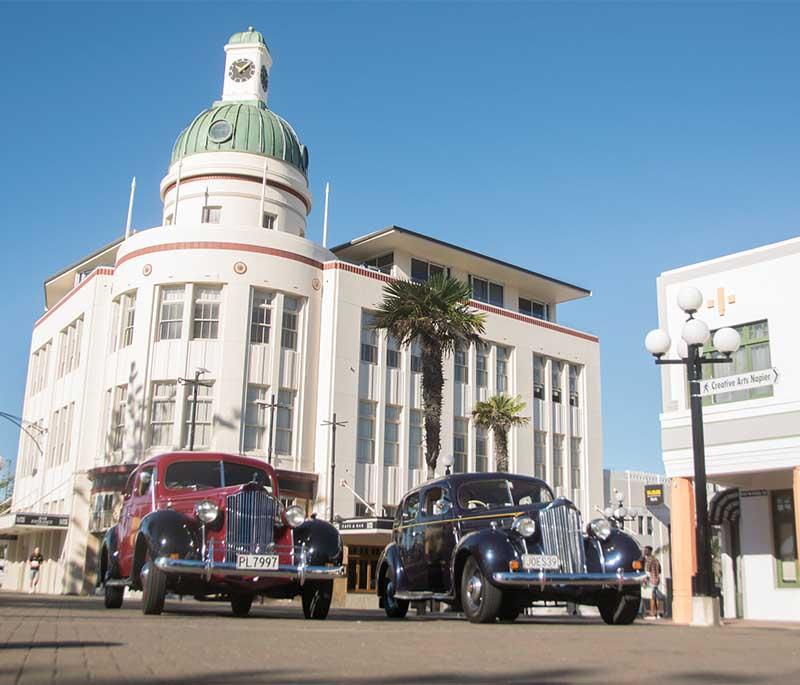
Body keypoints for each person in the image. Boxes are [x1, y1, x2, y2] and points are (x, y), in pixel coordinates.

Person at [643, 546, 662, 619]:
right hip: (657, 579)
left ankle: (652, 614)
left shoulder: (649, 560)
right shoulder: (656, 560)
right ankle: (658, 614)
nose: (645, 552)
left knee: (652, 597)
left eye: (646, 550)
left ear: (650, 551)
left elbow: (647, 572)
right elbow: (660, 570)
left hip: (651, 580)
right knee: (656, 597)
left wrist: (645, 582)